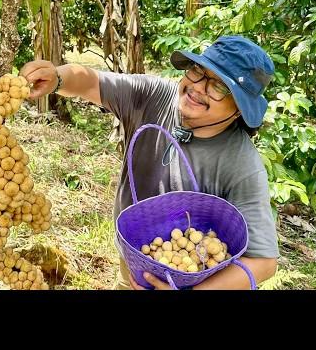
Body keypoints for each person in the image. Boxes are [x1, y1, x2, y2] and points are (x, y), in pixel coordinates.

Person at [21, 35, 278, 290]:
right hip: (135, 267)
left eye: (220, 86)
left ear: (239, 109)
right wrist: (58, 78)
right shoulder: (155, 97)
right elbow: (90, 82)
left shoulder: (241, 164)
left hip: (194, 282)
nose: (198, 86)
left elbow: (264, 262)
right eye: (198, 70)